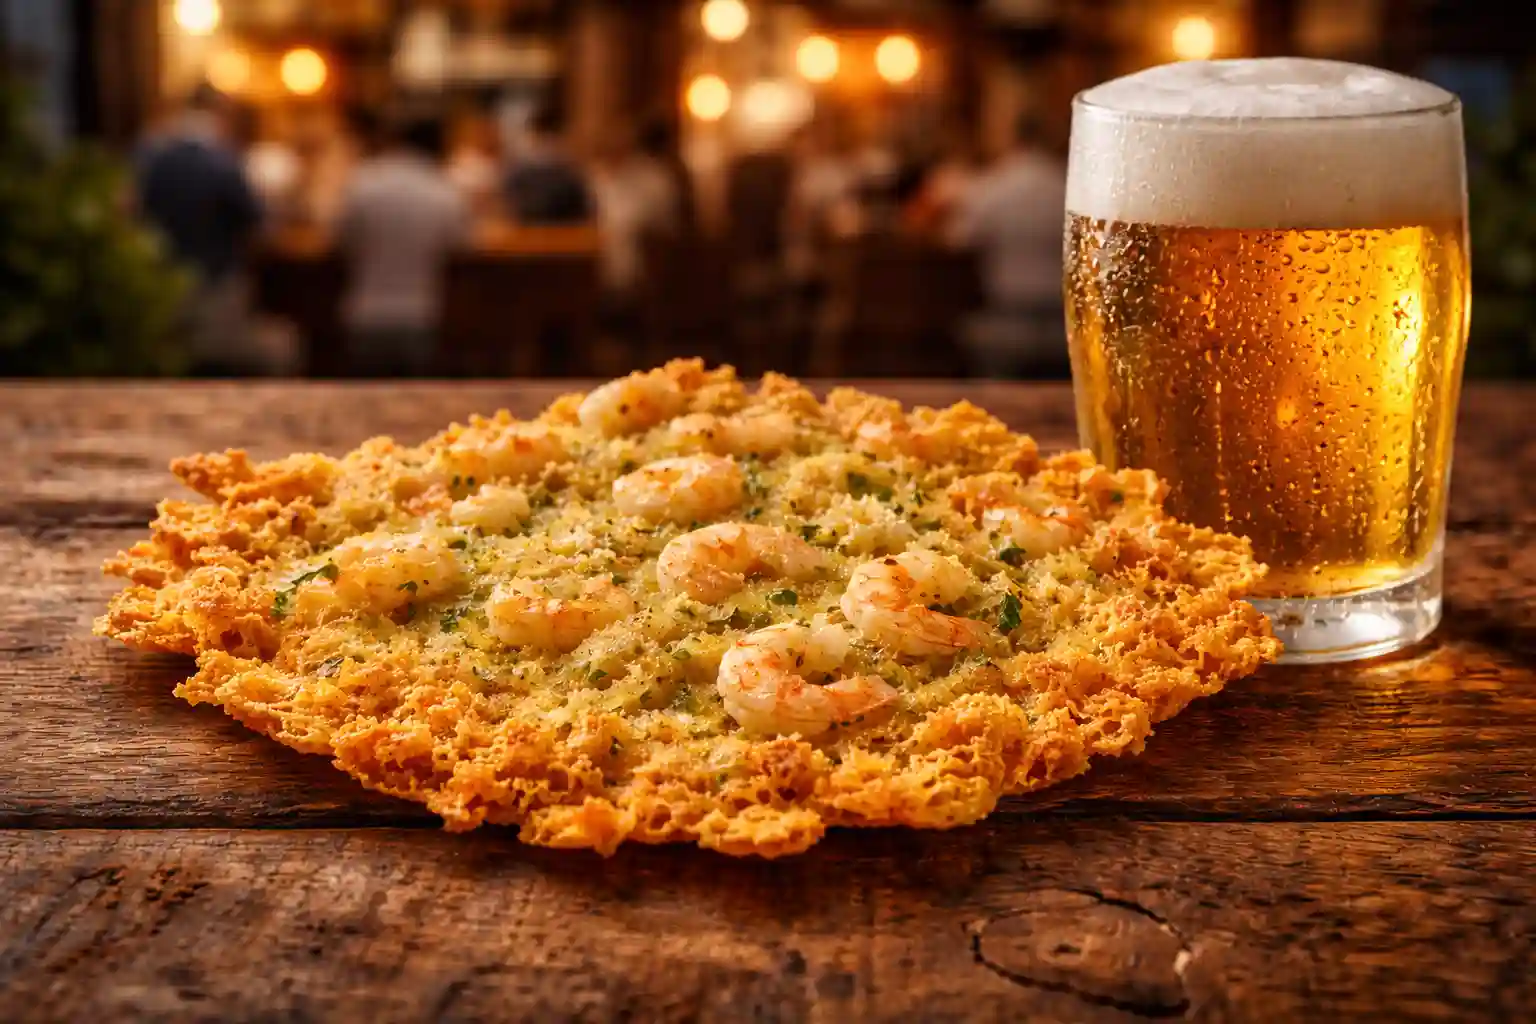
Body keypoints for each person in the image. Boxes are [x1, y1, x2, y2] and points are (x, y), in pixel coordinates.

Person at [135, 82, 263, 375]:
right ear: (218, 113)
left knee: (172, 366)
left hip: (163, 281)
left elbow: (137, 213)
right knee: (217, 367)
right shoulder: (222, 158)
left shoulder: (153, 156)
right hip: (216, 279)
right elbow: (253, 217)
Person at [336, 115, 469, 376]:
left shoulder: (363, 182)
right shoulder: (443, 191)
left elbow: (340, 240)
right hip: (420, 314)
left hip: (364, 312)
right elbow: (462, 245)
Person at [949, 110, 1069, 378]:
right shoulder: (1066, 186)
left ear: (1012, 139)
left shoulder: (993, 187)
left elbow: (958, 238)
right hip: (1063, 322)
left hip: (1006, 314)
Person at [590, 120, 681, 295]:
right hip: (595, 278)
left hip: (646, 276)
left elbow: (667, 226)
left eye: (619, 143)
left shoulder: (654, 178)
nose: (613, 148)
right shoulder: (592, 179)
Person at [504, 102, 593, 225]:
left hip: (564, 229)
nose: (546, 143)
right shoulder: (520, 169)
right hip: (526, 229)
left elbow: (580, 207)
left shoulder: (568, 170)